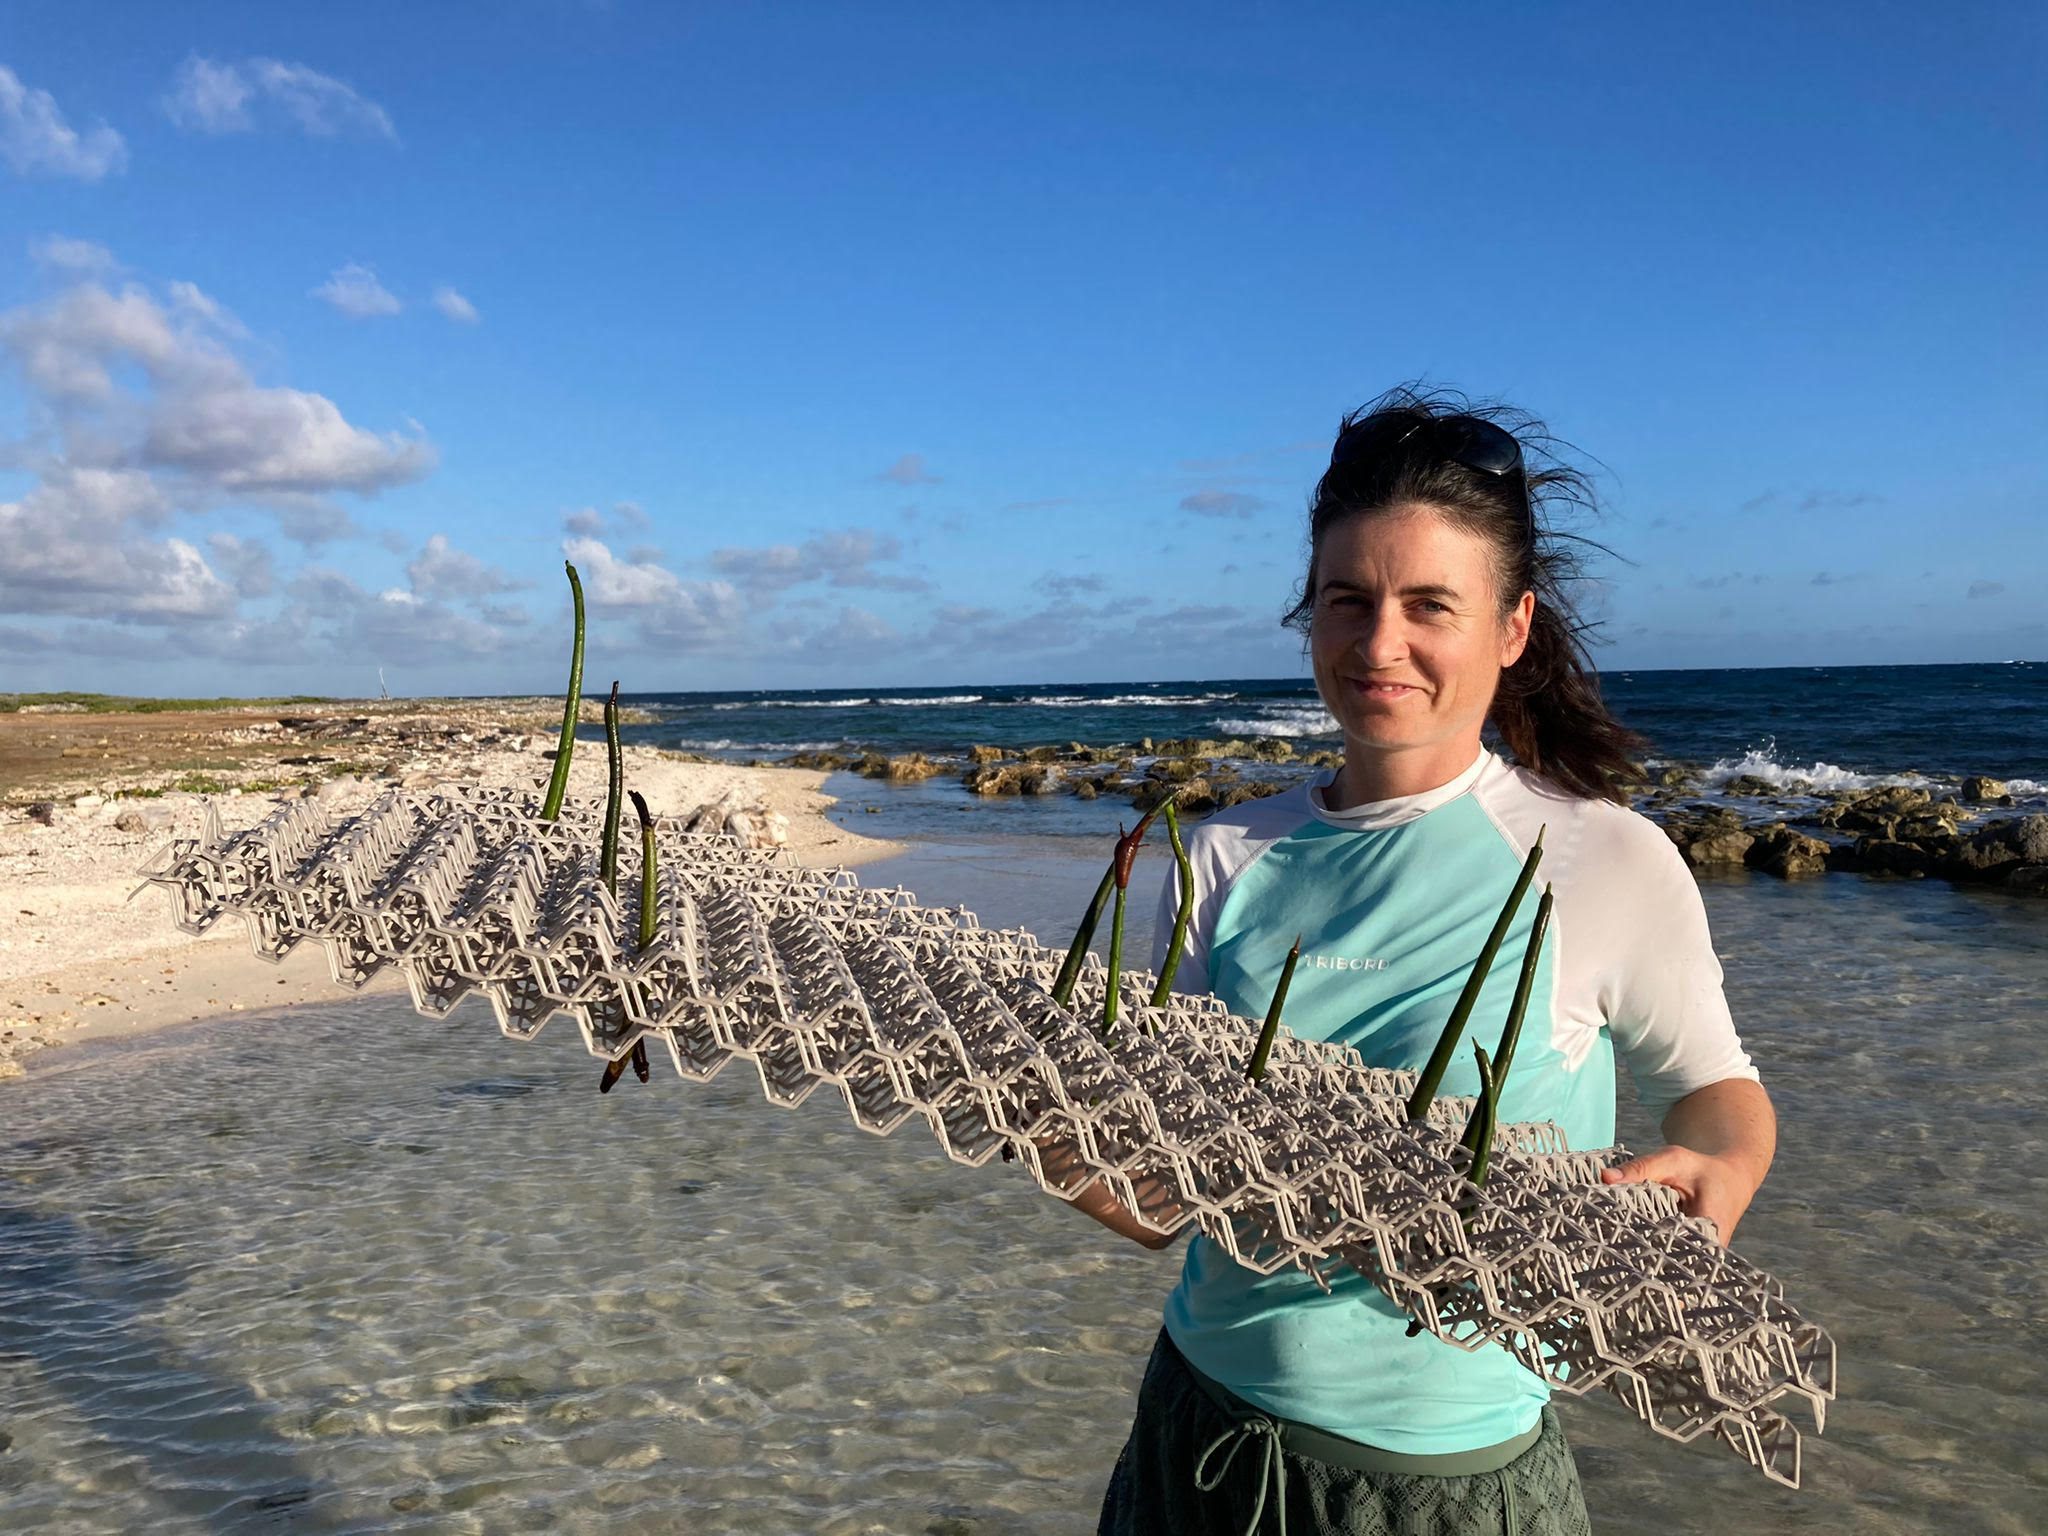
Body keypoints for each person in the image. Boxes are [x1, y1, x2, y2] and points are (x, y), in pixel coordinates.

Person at [1078, 386, 1777, 1535]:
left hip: (1448, 1484)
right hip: (1199, 1439)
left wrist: (1724, 1171)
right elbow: (1160, 1198)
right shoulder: (1223, 852)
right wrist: (1047, 1131)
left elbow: (1718, 1095)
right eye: (1345, 600)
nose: (1378, 643)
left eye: (1428, 605)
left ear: (1510, 629)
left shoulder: (1604, 860)